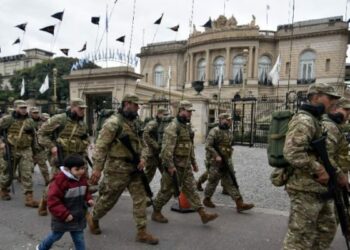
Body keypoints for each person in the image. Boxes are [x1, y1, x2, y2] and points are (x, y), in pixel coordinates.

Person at [87, 94, 159, 245]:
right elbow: (101, 147)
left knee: (140, 199)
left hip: (135, 168)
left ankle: (142, 232)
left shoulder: (135, 122)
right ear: (127, 104)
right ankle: (93, 217)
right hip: (116, 169)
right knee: (108, 200)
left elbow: (144, 144)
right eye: (135, 105)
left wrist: (144, 158)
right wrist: (97, 169)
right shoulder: (113, 123)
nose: (138, 108)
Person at [282, 83, 347, 249]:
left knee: (326, 230)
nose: (333, 102)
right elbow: (292, 152)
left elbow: (325, 155)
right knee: (299, 239)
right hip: (304, 188)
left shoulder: (316, 120)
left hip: (320, 188)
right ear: (316, 96)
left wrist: (338, 173)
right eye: (330, 98)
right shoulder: (304, 120)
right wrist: (318, 169)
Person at [151, 100, 218, 225]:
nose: (190, 114)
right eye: (188, 111)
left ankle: (203, 214)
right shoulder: (173, 127)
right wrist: (170, 166)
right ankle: (156, 211)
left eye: (191, 112)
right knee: (166, 191)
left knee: (192, 190)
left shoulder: (185, 127)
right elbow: (166, 150)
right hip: (174, 168)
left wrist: (193, 162)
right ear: (181, 110)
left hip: (185, 167)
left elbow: (189, 147)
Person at [37, 98, 90, 216]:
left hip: (77, 159)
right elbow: (41, 134)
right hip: (61, 158)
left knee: (83, 182)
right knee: (55, 183)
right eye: (80, 109)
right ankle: (44, 202)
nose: (83, 111)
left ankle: (81, 208)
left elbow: (85, 138)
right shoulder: (59, 119)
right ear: (73, 107)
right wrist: (52, 147)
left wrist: (85, 147)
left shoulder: (82, 124)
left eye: (84, 109)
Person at [36, 154, 93, 250]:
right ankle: (41, 247)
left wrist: (88, 199)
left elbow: (86, 191)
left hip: (78, 215)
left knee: (79, 238)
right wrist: (65, 214)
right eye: (77, 169)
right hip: (62, 217)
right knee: (56, 235)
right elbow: (53, 201)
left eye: (83, 168)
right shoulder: (60, 181)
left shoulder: (82, 178)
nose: (81, 171)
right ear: (67, 169)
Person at [203, 113, 254, 212]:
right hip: (215, 162)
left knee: (231, 182)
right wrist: (216, 155)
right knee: (213, 181)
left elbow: (228, 147)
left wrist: (228, 158)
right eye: (228, 120)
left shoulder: (229, 132)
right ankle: (207, 199)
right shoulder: (214, 131)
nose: (230, 122)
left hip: (226, 161)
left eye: (230, 120)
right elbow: (208, 146)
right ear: (221, 119)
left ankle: (239, 203)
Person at [0, 100, 39, 207]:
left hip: (26, 150)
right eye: (21, 107)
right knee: (8, 173)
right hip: (11, 149)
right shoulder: (7, 119)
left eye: (25, 108)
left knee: (27, 173)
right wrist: (1, 143)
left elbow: (33, 136)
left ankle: (29, 198)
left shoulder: (30, 121)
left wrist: (35, 152)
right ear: (15, 108)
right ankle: (3, 189)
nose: (23, 109)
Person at [142, 107, 168, 182]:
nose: (165, 116)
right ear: (159, 114)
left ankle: (165, 191)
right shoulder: (153, 123)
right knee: (148, 174)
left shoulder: (164, 124)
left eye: (166, 115)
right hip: (152, 154)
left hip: (161, 154)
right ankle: (143, 190)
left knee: (166, 174)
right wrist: (155, 145)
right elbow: (145, 134)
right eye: (164, 114)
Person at [30, 107, 50, 186]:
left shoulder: (42, 122)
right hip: (28, 148)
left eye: (37, 112)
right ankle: (23, 178)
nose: (36, 114)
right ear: (30, 113)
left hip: (39, 147)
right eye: (34, 113)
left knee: (43, 166)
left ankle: (48, 181)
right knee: (28, 167)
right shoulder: (28, 121)